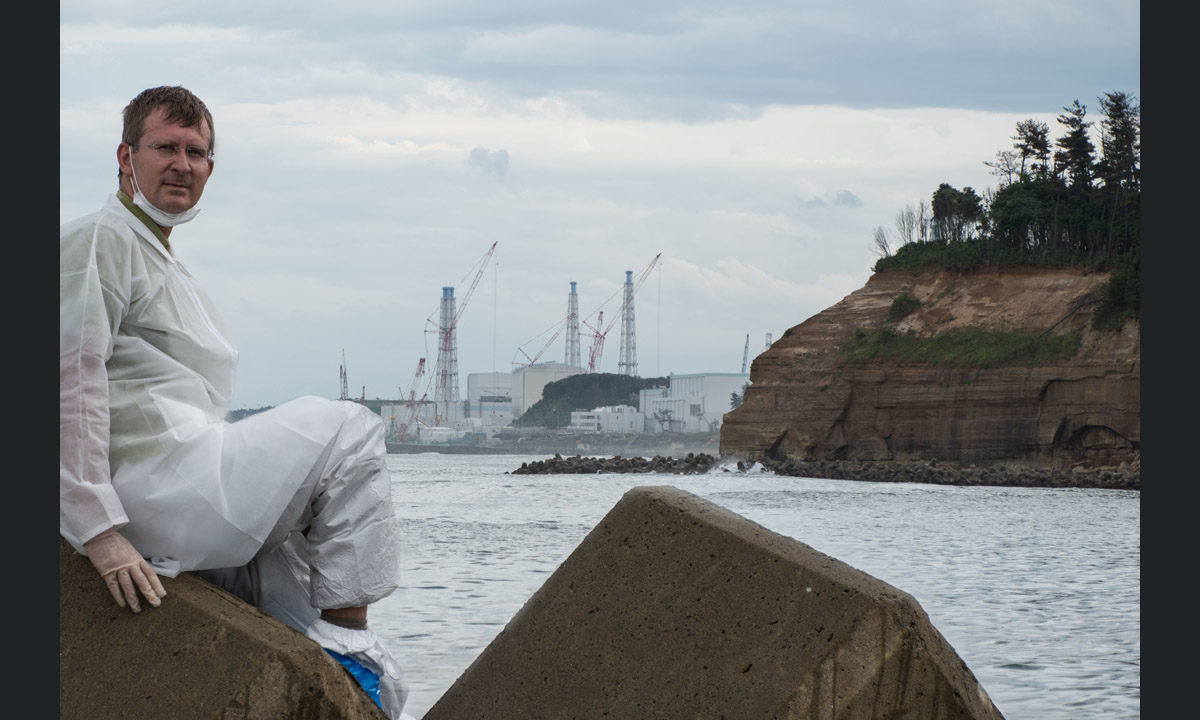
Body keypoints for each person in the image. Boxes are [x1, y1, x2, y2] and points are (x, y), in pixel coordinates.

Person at [60, 86, 408, 719]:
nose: (182, 164)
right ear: (125, 155)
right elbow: (67, 381)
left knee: (305, 615)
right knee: (349, 429)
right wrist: (98, 531)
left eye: (197, 152)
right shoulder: (99, 240)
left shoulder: (158, 255)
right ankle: (349, 639)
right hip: (150, 485)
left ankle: (350, 671)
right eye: (165, 146)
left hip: (183, 486)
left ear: (210, 169)